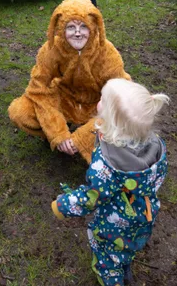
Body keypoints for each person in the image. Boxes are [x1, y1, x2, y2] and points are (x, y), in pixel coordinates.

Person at [52, 78, 169, 286]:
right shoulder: (156, 148)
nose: (99, 101)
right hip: (143, 216)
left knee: (107, 258)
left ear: (111, 122)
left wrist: (63, 205)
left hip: (114, 225)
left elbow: (92, 196)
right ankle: (124, 263)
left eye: (103, 100)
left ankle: (112, 277)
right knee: (127, 247)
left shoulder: (106, 166)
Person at [8, 0, 131, 163]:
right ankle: (59, 137)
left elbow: (123, 94)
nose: (78, 33)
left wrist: (82, 138)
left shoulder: (107, 52)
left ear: (93, 27)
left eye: (84, 26)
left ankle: (94, 146)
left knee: (124, 113)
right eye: (71, 27)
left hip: (95, 105)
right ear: (60, 28)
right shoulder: (51, 49)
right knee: (19, 112)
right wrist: (57, 133)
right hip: (65, 100)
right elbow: (37, 90)